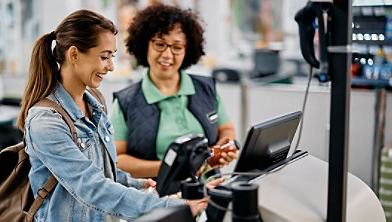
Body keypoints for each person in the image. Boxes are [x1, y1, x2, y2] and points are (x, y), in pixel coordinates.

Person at [17, 9, 219, 221]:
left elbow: (105, 173)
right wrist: (172, 205)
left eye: (112, 57)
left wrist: (140, 184)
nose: (111, 67)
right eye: (104, 57)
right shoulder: (46, 121)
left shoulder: (95, 104)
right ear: (74, 54)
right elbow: (92, 187)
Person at [111, 3, 238, 179]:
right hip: (158, 198)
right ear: (144, 44)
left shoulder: (206, 89)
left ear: (188, 50)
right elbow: (117, 160)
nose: (167, 55)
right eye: (160, 44)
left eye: (177, 47)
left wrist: (225, 147)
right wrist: (170, 167)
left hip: (210, 192)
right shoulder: (126, 102)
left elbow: (227, 129)